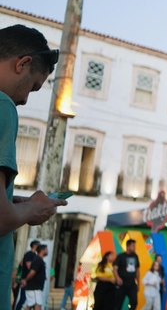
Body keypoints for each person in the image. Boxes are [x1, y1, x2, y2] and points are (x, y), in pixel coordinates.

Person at [1, 24, 67, 309]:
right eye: (33, 86)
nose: (26, 99)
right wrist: (33, 209)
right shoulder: (3, 107)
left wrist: (13, 200)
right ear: (23, 64)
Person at [114, 240, 140, 310]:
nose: (134, 248)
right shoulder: (120, 256)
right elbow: (115, 269)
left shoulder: (135, 256)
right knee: (118, 303)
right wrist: (117, 278)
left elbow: (137, 270)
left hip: (132, 283)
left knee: (134, 301)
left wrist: (138, 283)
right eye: (133, 246)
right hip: (122, 283)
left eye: (135, 246)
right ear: (128, 247)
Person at [20, 244, 47, 310]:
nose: (47, 251)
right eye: (46, 249)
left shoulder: (38, 259)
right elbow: (32, 272)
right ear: (42, 250)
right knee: (37, 305)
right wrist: (25, 280)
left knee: (30, 305)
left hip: (34, 287)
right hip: (34, 288)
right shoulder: (38, 260)